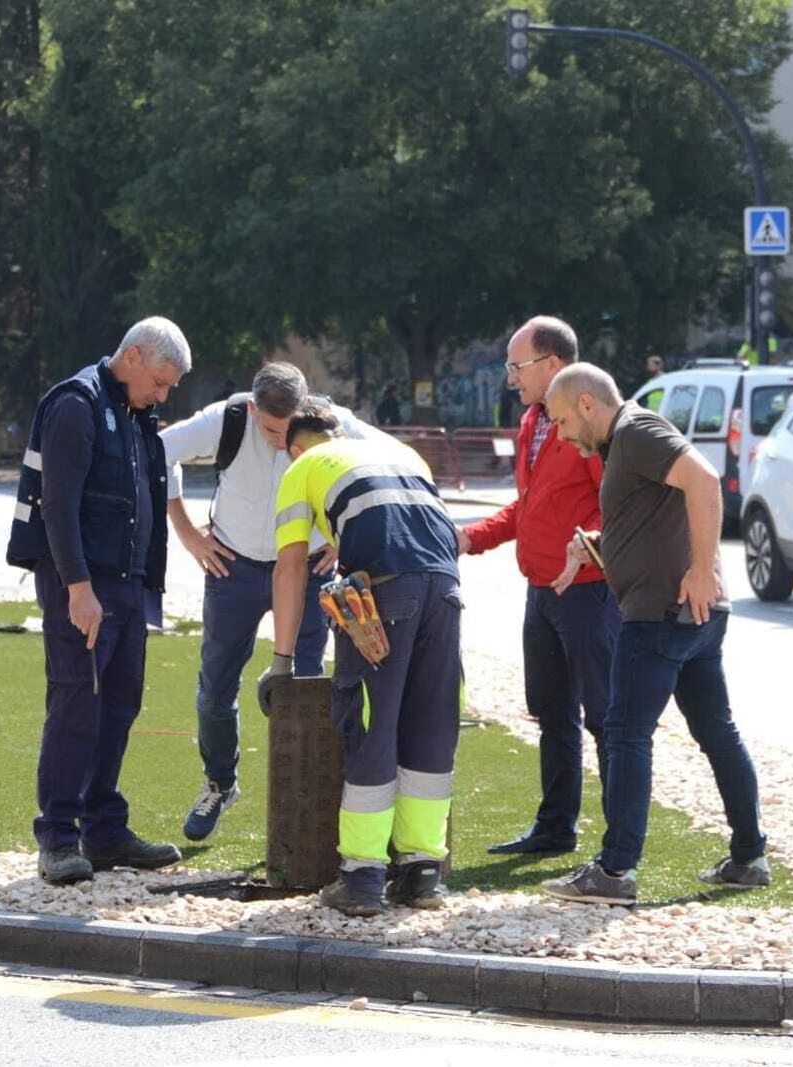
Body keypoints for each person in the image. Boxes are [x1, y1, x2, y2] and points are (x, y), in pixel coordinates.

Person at [538, 363, 767, 906]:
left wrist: (702, 568)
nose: (564, 436)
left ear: (588, 404)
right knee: (716, 730)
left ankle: (616, 871)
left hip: (662, 612)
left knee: (625, 732)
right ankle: (748, 857)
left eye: (564, 421)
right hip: (691, 612)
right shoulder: (624, 443)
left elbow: (705, 480)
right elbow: (654, 516)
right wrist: (599, 543)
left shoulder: (636, 431)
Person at [160, 361, 387, 841]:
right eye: (269, 429)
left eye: (287, 432)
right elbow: (157, 451)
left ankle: (303, 796)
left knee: (303, 687)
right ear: (252, 407)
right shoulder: (228, 419)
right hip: (231, 567)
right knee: (215, 687)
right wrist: (186, 533)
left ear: (305, 410)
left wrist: (342, 540)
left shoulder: (334, 425)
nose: (279, 442)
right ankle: (220, 782)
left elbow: (381, 463)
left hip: (304, 570)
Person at [6, 317, 190, 885]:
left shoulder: (135, 416)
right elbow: (58, 507)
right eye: (159, 382)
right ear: (132, 357)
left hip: (128, 586)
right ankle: (59, 837)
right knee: (75, 707)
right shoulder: (75, 405)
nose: (162, 395)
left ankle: (104, 830)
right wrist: (77, 589)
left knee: (119, 705)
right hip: (81, 585)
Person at [260, 405, 463, 917]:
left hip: (383, 601)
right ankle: (421, 873)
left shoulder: (302, 467)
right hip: (445, 592)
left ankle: (363, 876)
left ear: (297, 446)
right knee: (431, 728)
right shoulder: (401, 453)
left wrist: (281, 661)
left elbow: (289, 569)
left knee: (372, 727)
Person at [458, 316, 622, 856]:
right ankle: (556, 828)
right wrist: (471, 537)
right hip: (542, 591)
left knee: (604, 717)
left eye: (516, 365)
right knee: (551, 712)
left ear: (554, 365)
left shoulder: (589, 422)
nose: (510, 378)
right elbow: (528, 508)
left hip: (589, 591)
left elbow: (617, 509)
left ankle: (620, 845)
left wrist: (588, 546)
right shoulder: (533, 422)